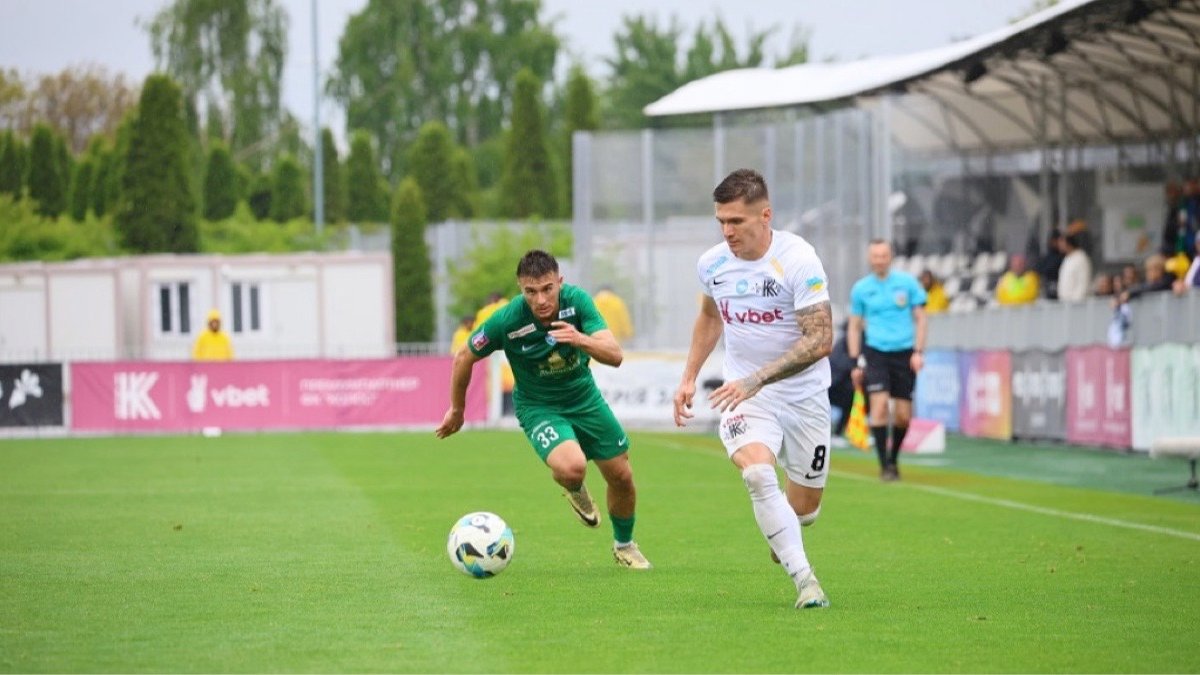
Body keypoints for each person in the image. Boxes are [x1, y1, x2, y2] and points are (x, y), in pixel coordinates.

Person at [672, 168, 833, 610]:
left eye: (736, 221)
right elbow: (710, 317)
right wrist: (688, 377)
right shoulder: (712, 263)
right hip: (744, 396)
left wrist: (758, 378)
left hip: (803, 396)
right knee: (758, 475)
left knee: (804, 511)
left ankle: (784, 534)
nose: (727, 231)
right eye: (721, 221)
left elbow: (821, 340)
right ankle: (806, 582)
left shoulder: (798, 260)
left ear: (765, 216)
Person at [436, 250, 652, 570]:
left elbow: (615, 355)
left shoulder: (578, 302)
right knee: (573, 467)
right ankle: (575, 489)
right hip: (538, 406)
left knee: (622, 476)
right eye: (531, 291)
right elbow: (464, 357)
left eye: (548, 289)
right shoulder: (508, 320)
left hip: (585, 398)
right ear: (520, 289)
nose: (540, 299)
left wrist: (579, 339)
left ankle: (624, 546)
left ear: (559, 282)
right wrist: (457, 409)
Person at [847, 239, 927, 482]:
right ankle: (885, 465)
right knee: (879, 407)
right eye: (875, 256)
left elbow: (921, 319)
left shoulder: (907, 283)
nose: (880, 260)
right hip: (876, 352)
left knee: (903, 415)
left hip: (904, 353)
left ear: (890, 257)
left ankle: (894, 457)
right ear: (870, 258)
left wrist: (918, 352)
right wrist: (855, 362)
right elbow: (854, 326)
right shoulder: (861, 288)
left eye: (883, 255)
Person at [1056, 233, 1092, 303]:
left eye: (1061, 242)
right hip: (1064, 303)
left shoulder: (1081, 258)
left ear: (1069, 243)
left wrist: (1076, 302)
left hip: (1077, 304)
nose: (1059, 245)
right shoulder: (1066, 258)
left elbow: (1083, 283)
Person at [1034, 229, 1065, 299]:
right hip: (1048, 289)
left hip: (1061, 290)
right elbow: (1040, 271)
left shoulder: (1065, 257)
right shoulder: (1047, 257)